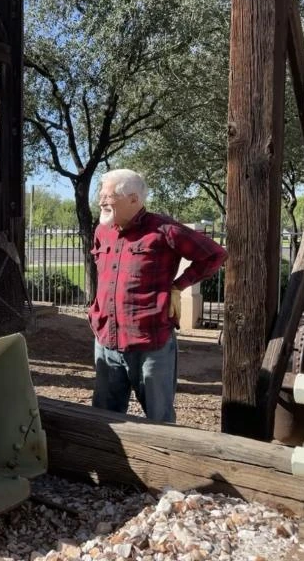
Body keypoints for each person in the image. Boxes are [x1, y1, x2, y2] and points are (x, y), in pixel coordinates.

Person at [89, 169, 227, 423]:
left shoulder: (164, 230)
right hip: (106, 340)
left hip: (150, 343)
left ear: (133, 199)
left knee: (160, 421)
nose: (100, 201)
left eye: (108, 196)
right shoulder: (102, 231)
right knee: (104, 420)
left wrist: (179, 285)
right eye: (101, 194)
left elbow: (214, 254)